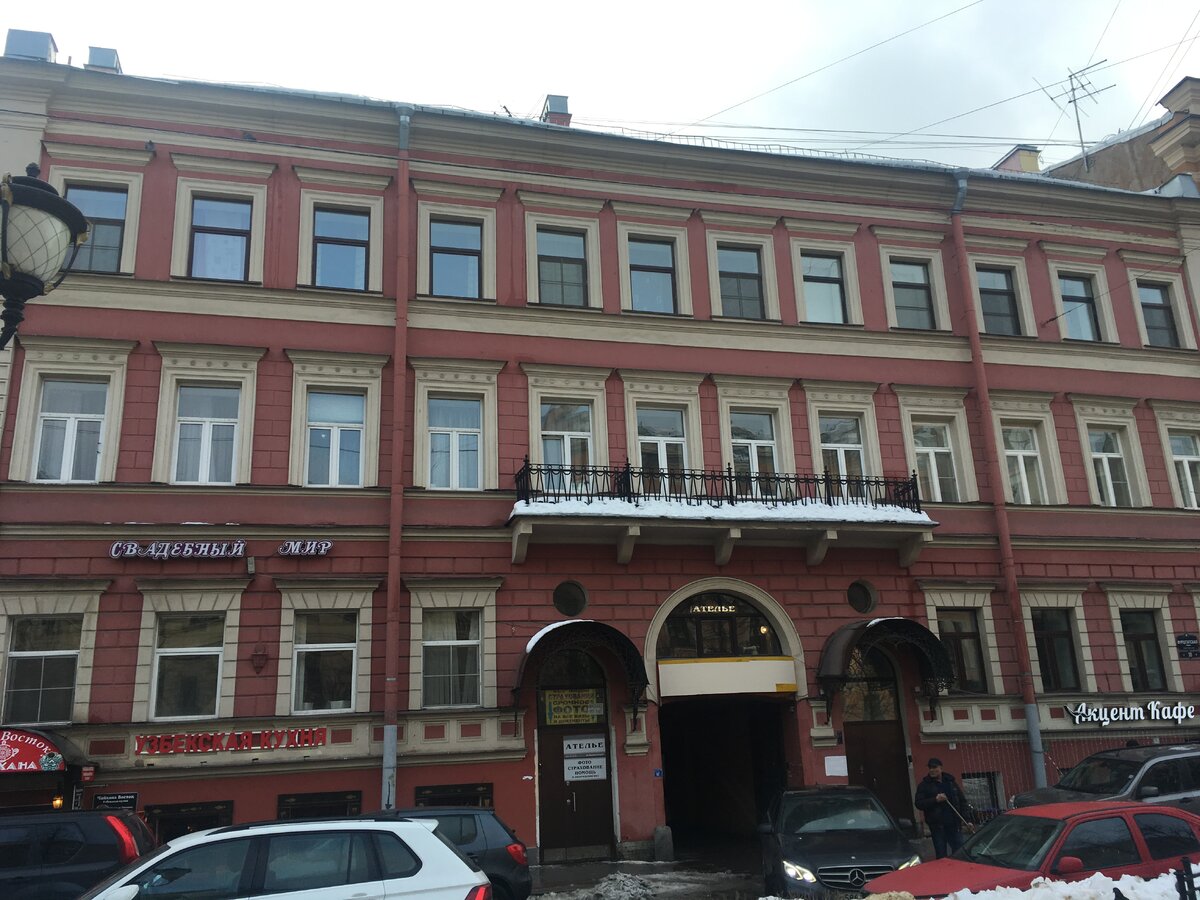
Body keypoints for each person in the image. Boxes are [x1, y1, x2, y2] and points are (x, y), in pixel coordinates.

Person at [914, 757, 970, 859]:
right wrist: (935, 800)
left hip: (954, 824)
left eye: (934, 767)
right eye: (930, 768)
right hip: (937, 826)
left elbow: (962, 801)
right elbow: (919, 803)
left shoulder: (950, 782)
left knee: (959, 852)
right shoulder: (924, 785)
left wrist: (967, 819)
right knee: (941, 854)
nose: (932, 770)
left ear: (940, 768)